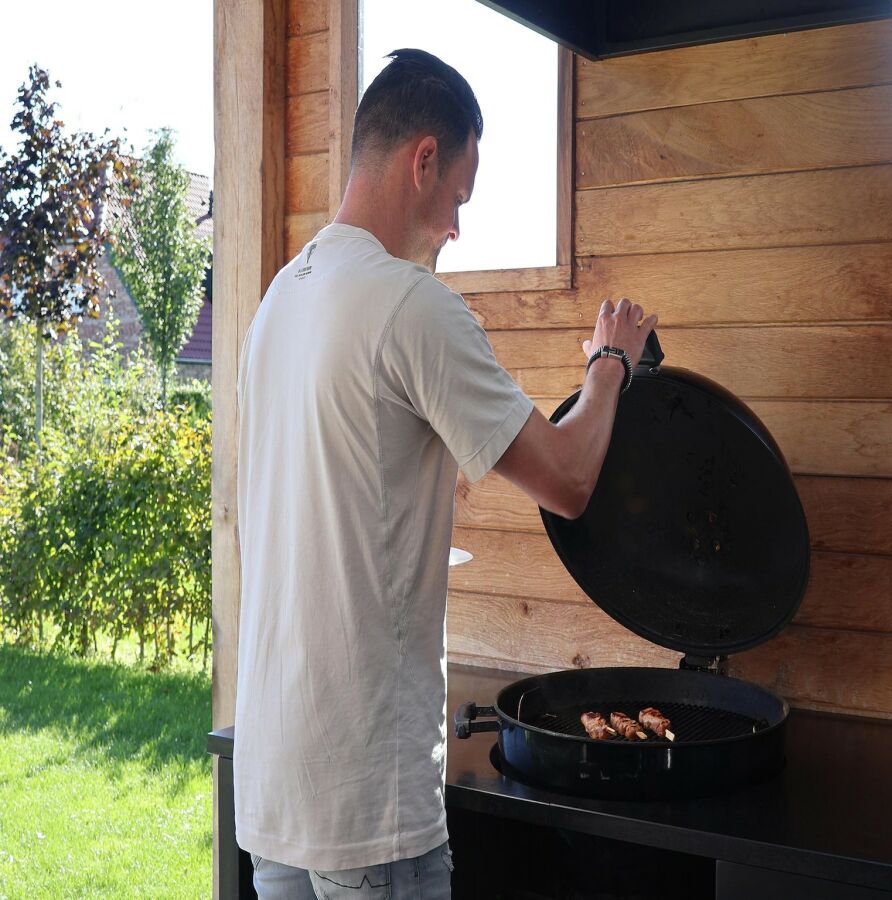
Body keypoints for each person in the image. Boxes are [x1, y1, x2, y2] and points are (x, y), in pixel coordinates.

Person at [233, 48, 657, 899]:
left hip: (276, 785)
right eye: (459, 196)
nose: (458, 227)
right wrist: (610, 362)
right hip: (368, 800)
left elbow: (351, 479)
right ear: (423, 158)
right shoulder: (411, 304)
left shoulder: (281, 299)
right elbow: (570, 482)